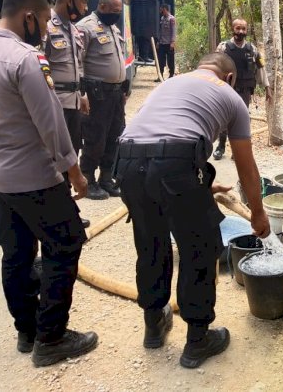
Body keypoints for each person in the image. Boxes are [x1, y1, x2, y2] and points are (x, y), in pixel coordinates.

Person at [0, 0, 98, 367]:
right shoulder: (25, 59)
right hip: (32, 177)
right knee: (65, 243)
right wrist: (75, 173)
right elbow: (51, 122)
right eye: (44, 20)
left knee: (16, 253)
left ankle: (28, 331)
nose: (46, 28)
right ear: (29, 17)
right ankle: (52, 338)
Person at [116, 52, 271, 369]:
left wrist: (194, 186)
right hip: (174, 166)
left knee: (151, 244)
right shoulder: (231, 96)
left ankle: (154, 327)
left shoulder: (171, 83)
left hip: (128, 164)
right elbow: (246, 167)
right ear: (229, 77)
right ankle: (198, 340)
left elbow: (158, 139)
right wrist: (258, 212)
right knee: (199, 248)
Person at [45, 0, 92, 228]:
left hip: (73, 102)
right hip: (56, 104)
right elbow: (39, 69)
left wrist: (82, 93)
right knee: (57, 160)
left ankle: (67, 209)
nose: (85, 8)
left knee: (72, 154)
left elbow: (79, 66)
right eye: (83, 2)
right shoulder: (47, 27)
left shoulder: (73, 29)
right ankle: (59, 215)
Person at [76, 0, 128, 200]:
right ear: (103, 7)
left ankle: (107, 177)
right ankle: (88, 180)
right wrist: (82, 94)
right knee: (95, 137)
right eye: (115, 11)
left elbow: (118, 60)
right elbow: (77, 62)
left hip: (115, 94)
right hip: (96, 94)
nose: (117, 15)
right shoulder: (85, 27)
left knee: (116, 135)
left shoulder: (113, 28)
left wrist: (123, 88)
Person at [213, 19, 272, 160]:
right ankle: (221, 147)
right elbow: (214, 67)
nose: (241, 31)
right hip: (227, 89)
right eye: (238, 28)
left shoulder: (253, 50)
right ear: (232, 29)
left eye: (243, 29)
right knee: (225, 118)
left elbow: (261, 70)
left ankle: (236, 150)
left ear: (247, 30)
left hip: (245, 91)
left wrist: (267, 87)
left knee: (241, 119)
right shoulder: (223, 48)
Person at [156, 4, 176, 77]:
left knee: (170, 60)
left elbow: (173, 31)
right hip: (162, 43)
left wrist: (173, 42)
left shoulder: (171, 19)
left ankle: (171, 75)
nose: (161, 11)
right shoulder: (162, 18)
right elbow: (161, 31)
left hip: (169, 43)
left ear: (165, 9)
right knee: (160, 60)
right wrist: (158, 41)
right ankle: (160, 75)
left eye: (162, 10)